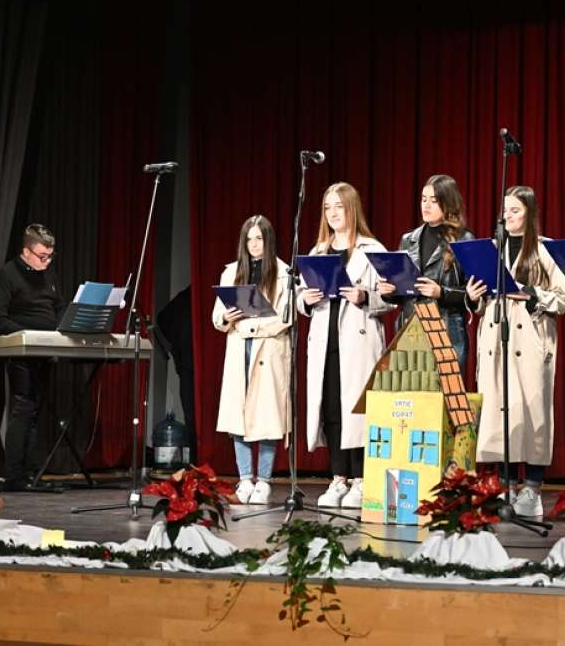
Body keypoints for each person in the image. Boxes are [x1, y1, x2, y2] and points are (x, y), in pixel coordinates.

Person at [466, 186, 565, 516]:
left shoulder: (544, 250)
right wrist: (473, 295)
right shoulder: (491, 249)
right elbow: (480, 301)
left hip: (530, 337)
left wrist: (531, 293)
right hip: (495, 335)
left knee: (533, 411)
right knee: (500, 409)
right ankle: (506, 486)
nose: (508, 216)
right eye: (505, 210)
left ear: (529, 213)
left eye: (515, 210)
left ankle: (533, 488)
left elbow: (563, 299)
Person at [297, 182, 392, 508]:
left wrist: (366, 296)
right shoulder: (318, 251)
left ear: (352, 209)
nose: (333, 213)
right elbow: (301, 296)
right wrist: (305, 300)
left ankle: (361, 480)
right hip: (326, 342)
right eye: (327, 207)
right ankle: (338, 478)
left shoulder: (371, 247)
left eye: (339, 206)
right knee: (332, 409)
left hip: (358, 339)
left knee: (358, 411)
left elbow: (392, 294)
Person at [212, 215, 291, 504]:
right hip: (239, 346)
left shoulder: (284, 273)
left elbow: (286, 317)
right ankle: (245, 478)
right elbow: (216, 315)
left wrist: (252, 323)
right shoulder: (231, 272)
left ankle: (265, 480)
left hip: (268, 348)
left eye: (259, 238)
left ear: (268, 241)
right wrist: (226, 317)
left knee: (267, 416)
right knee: (239, 416)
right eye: (249, 239)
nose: (254, 244)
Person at [0, 224, 65, 491]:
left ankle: (31, 474)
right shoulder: (7, 275)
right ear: (26, 251)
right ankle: (14, 477)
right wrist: (27, 335)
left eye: (50, 256)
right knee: (23, 409)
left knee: (35, 412)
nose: (47, 261)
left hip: (46, 351)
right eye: (42, 255)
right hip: (22, 352)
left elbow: (59, 306)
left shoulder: (49, 274)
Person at [379, 174, 474, 372]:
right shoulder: (409, 239)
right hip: (411, 330)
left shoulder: (464, 239)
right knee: (411, 397)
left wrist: (442, 293)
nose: (426, 205)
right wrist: (389, 291)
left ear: (448, 203)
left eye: (434, 200)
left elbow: (473, 297)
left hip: (446, 333)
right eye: (423, 199)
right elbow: (404, 292)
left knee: (442, 397)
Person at [156, 285, 197, 465]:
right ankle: (195, 459)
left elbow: (163, 318)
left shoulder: (189, 295)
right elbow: (163, 318)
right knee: (191, 413)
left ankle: (195, 460)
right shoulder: (189, 296)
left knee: (191, 412)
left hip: (187, 361)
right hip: (189, 362)